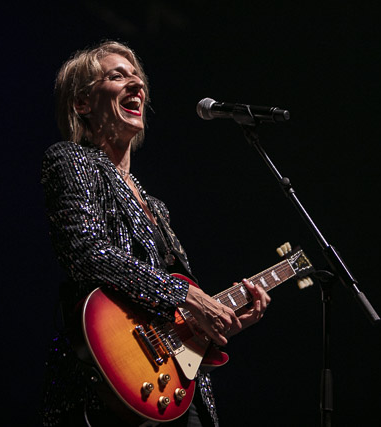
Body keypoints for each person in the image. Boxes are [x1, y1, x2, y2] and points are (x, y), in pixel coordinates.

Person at [40, 40, 271, 426]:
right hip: (106, 384)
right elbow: (86, 252)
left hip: (171, 387)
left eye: (137, 77)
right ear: (83, 104)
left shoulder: (157, 206)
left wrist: (217, 322)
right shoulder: (70, 159)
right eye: (117, 76)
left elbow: (169, 318)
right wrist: (183, 293)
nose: (136, 85)